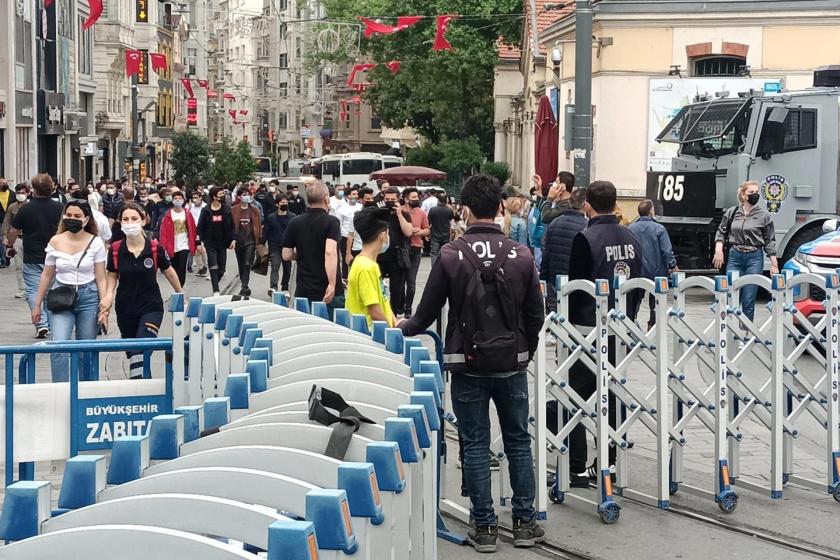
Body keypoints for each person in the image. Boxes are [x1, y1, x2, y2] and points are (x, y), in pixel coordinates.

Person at [399, 174, 545, 552]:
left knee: (475, 443)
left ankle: (484, 528)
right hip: (512, 363)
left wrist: (406, 327)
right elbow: (536, 313)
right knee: (517, 441)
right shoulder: (522, 254)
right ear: (499, 208)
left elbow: (426, 312)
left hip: (466, 362)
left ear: (463, 209)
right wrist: (523, 347)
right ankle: (525, 523)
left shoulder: (451, 254)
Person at [567, 180, 644, 487]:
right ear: (615, 204)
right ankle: (608, 460)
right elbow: (639, 279)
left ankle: (574, 464)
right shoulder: (631, 236)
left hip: (588, 329)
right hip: (620, 326)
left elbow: (575, 287)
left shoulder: (585, 238)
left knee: (574, 395)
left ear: (587, 203)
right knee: (612, 394)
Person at [100, 203, 183, 378]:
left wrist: (180, 294)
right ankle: (145, 387)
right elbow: (112, 275)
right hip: (125, 308)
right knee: (132, 352)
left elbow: (169, 271)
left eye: (134, 219)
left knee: (141, 348)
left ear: (143, 220)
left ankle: (140, 389)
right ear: (120, 223)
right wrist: (108, 296)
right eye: (125, 219)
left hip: (151, 306)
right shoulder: (115, 250)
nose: (130, 223)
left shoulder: (154, 248)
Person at [32, 200, 108, 382]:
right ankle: (60, 388)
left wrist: (104, 306)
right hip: (61, 297)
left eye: (77, 216)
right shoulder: (56, 241)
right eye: (69, 215)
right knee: (59, 345)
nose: (72, 219)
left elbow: (101, 277)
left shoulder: (95, 242)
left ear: (86, 218)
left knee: (86, 349)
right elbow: (47, 274)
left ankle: (86, 389)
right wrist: (37, 305)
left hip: (88, 297)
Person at [7, 174, 64, 338]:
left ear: (33, 190)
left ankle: (41, 323)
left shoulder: (25, 209)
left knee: (33, 289)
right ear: (51, 189)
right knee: (52, 289)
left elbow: (13, 231)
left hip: (32, 255)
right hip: (56, 255)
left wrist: (10, 246)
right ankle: (51, 322)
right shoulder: (59, 207)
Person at [713, 180, 778, 324]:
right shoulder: (732, 212)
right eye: (751, 193)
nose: (755, 195)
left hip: (754, 257)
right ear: (743, 195)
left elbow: (769, 240)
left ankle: (746, 333)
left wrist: (773, 262)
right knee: (731, 294)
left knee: (748, 298)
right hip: (735, 256)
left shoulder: (764, 215)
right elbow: (721, 232)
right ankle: (729, 330)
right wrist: (719, 249)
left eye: (756, 193)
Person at [282, 181, 344, 311]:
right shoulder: (332, 222)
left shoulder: (295, 222)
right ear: (326, 198)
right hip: (327, 289)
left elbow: (286, 255)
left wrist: (303, 253)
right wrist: (332, 284)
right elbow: (330, 252)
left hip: (304, 289)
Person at [628, 199, 678, 328]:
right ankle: (652, 325)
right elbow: (666, 251)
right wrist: (673, 265)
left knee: (636, 299)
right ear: (651, 212)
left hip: (637, 271)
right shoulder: (660, 229)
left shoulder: (630, 228)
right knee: (656, 301)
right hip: (657, 272)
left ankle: (632, 321)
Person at [346, 206, 397, 327]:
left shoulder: (367, 264)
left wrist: (396, 322)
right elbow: (375, 311)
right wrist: (392, 333)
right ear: (382, 235)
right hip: (370, 335)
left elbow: (383, 301)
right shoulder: (366, 267)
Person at [540, 188, 587, 312]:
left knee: (555, 321)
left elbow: (546, 255)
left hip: (555, 282)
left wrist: (543, 281)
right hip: (576, 286)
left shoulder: (554, 223)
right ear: (585, 204)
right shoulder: (587, 227)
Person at [377, 187, 413, 317]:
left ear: (398, 200)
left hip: (396, 258)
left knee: (396, 289)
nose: (390, 202)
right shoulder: (379, 213)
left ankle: (393, 314)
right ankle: (380, 313)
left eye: (393, 200)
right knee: (377, 288)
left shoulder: (404, 215)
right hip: (379, 256)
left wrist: (399, 214)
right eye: (387, 200)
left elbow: (408, 232)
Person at [197, 186, 235, 296]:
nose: (222, 196)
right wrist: (199, 242)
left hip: (223, 243)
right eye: (220, 194)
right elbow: (200, 227)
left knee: (221, 270)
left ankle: (215, 283)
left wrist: (233, 239)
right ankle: (216, 290)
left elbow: (232, 226)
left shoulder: (226, 209)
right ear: (214, 197)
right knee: (213, 266)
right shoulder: (206, 210)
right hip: (210, 242)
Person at [159, 191, 199, 288]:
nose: (177, 200)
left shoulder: (187, 214)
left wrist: (196, 243)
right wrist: (163, 247)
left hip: (184, 245)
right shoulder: (168, 215)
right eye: (175, 199)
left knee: (182, 268)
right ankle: (177, 289)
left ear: (183, 200)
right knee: (174, 269)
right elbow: (163, 233)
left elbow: (193, 230)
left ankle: (180, 289)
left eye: (179, 198)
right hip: (172, 246)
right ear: (172, 200)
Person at [401, 187, 430, 318]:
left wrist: (421, 231)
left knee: (411, 282)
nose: (416, 200)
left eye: (417, 197)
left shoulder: (422, 213)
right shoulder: (400, 211)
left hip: (416, 248)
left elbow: (427, 230)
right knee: (400, 281)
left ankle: (408, 309)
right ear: (406, 199)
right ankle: (399, 305)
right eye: (413, 198)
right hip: (402, 248)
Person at [231, 187, 262, 296]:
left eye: (248, 194)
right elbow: (231, 226)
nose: (246, 196)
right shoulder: (234, 209)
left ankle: (245, 285)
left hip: (251, 241)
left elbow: (258, 225)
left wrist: (260, 240)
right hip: (238, 241)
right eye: (244, 194)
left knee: (247, 263)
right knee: (241, 264)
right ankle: (243, 284)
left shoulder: (254, 209)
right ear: (239, 197)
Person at [2, 183, 31, 298]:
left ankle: (31, 288)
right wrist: (5, 236)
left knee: (30, 265)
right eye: (18, 193)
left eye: (23, 193)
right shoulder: (12, 207)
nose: (20, 195)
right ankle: (21, 288)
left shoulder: (31, 206)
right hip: (17, 239)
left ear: (28, 193)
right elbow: (7, 222)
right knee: (19, 265)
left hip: (30, 238)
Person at [263, 193, 294, 296]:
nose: (285, 204)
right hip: (275, 246)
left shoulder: (292, 217)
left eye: (286, 202)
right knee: (275, 266)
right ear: (277, 204)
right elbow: (266, 232)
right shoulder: (271, 217)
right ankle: (273, 287)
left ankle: (285, 288)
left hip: (288, 247)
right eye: (282, 202)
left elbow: (296, 232)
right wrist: (261, 244)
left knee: (287, 269)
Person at [345, 186, 376, 269]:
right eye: (367, 199)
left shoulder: (377, 215)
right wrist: (348, 253)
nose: (370, 201)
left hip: (373, 250)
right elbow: (350, 235)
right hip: (358, 249)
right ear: (361, 200)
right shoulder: (355, 216)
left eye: (371, 198)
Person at [336, 186, 362, 279]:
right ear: (347, 196)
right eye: (353, 194)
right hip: (345, 236)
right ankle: (345, 277)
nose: (355, 196)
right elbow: (339, 224)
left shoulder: (360, 207)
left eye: (356, 194)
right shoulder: (342, 209)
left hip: (358, 237)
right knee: (346, 258)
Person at [427, 193, 454, 266]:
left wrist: (427, 233)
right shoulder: (449, 210)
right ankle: (445, 268)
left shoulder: (433, 210)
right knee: (445, 253)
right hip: (446, 235)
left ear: (438, 200)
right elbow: (452, 218)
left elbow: (428, 222)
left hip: (435, 234)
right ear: (446, 201)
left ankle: (434, 269)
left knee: (434, 253)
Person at [188, 190, 208, 276]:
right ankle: (201, 268)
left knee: (203, 249)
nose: (195, 200)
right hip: (194, 230)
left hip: (203, 230)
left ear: (201, 198)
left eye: (196, 198)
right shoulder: (191, 208)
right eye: (193, 198)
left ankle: (206, 266)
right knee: (196, 250)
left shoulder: (206, 207)